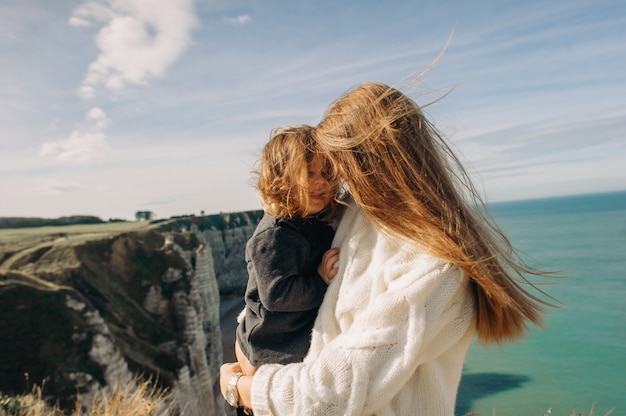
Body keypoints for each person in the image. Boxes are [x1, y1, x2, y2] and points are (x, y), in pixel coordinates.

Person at [221, 82, 554, 415]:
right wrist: (248, 337)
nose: (330, 183)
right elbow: (274, 280)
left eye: (336, 167)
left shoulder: (433, 266)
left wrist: (243, 388)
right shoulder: (353, 214)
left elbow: (334, 396)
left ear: (372, 161)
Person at [226, 125, 341, 414]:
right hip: (270, 346)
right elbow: (277, 294)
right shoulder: (274, 236)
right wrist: (319, 280)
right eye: (308, 173)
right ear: (281, 179)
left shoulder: (309, 218)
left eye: (327, 172)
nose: (320, 182)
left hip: (283, 339)